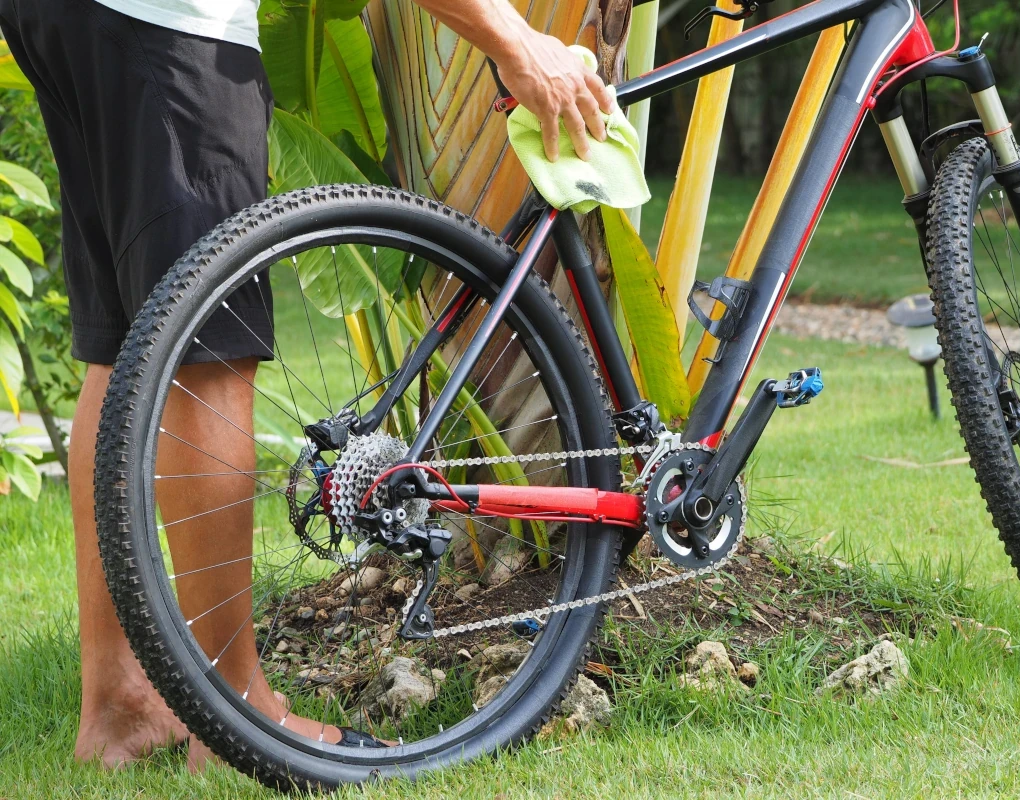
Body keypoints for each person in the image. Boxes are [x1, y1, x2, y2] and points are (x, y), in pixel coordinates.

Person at [0, 0, 617, 770]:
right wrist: (515, 40)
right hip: (175, 23)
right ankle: (234, 721)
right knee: (203, 351)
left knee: (129, 349)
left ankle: (121, 708)